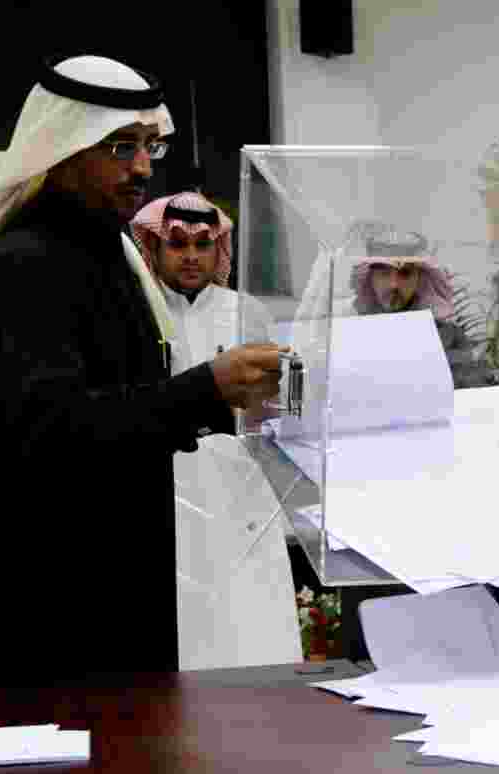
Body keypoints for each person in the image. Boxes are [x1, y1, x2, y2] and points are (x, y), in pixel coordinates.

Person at [0, 55, 285, 684]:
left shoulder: (106, 248)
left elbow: (129, 400)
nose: (143, 167)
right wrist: (207, 388)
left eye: (150, 145)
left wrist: (230, 402)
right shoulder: (25, 262)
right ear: (62, 148)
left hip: (110, 592)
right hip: (43, 617)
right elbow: (54, 431)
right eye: (121, 147)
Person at [131, 192, 301, 668]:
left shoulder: (245, 310)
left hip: (239, 482)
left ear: (218, 249)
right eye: (177, 243)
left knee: (248, 606)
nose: (190, 255)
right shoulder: (141, 310)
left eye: (203, 244)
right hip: (166, 478)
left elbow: (286, 401)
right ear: (157, 249)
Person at [346, 226, 486, 388]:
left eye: (405, 274)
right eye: (383, 273)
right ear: (369, 277)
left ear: (420, 278)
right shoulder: (349, 332)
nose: (394, 285)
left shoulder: (450, 337)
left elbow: (468, 394)